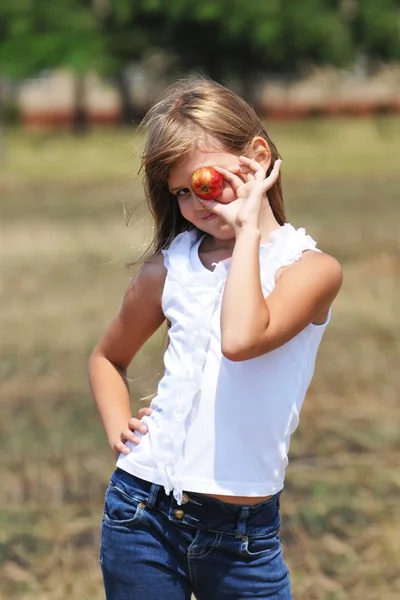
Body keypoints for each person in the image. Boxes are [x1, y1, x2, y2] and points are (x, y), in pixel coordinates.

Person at [88, 75, 343, 600]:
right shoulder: (170, 268)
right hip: (142, 516)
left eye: (205, 183)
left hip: (243, 538)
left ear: (257, 156)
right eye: (181, 193)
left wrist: (249, 229)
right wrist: (121, 430)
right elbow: (107, 357)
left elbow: (243, 338)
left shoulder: (311, 270)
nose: (197, 203)